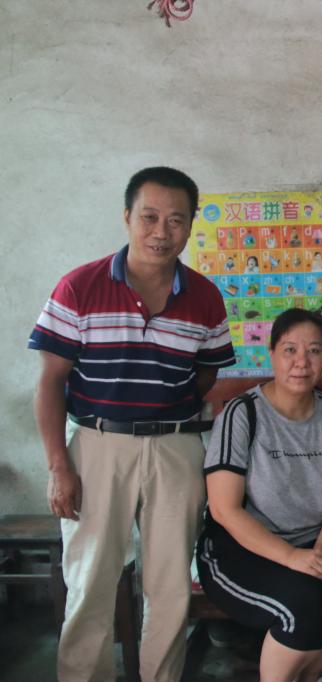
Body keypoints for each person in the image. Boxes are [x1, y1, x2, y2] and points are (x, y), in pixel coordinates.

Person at [28, 166, 235, 681]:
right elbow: (50, 381)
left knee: (170, 586)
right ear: (127, 217)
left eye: (176, 220)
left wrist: (167, 410)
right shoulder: (80, 286)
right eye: (149, 217)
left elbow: (207, 372)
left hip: (176, 449)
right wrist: (58, 466)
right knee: (90, 583)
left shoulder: (205, 297)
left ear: (190, 225)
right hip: (97, 446)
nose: (161, 232)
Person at [197, 308, 322, 682]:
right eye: (290, 350)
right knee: (306, 605)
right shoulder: (242, 414)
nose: (302, 362)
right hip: (240, 549)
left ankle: (305, 677)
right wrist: (292, 557)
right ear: (272, 354)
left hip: (313, 540)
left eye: (314, 351)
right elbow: (224, 510)